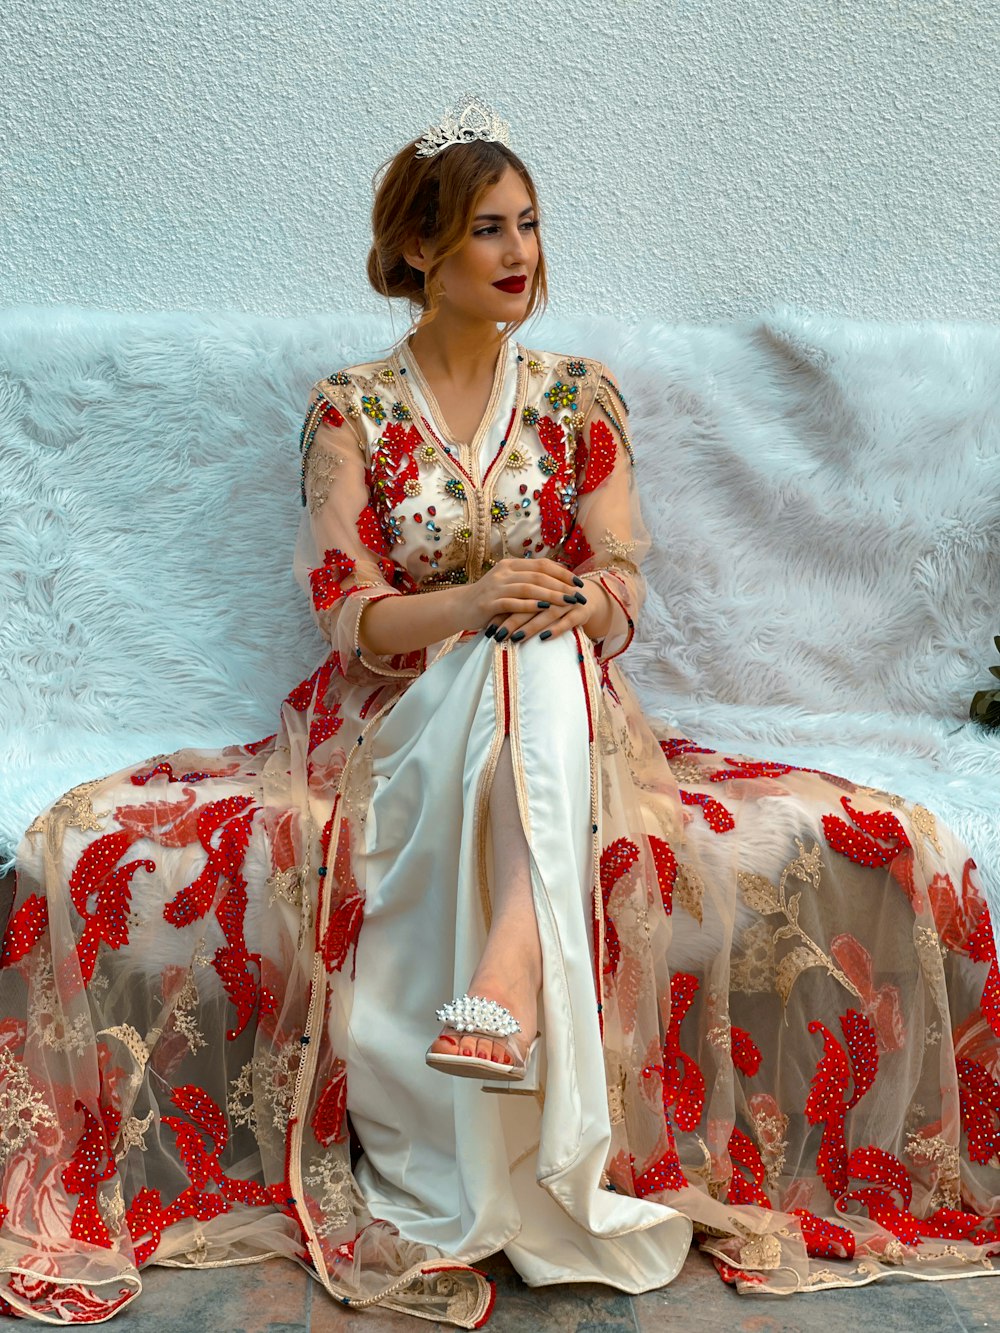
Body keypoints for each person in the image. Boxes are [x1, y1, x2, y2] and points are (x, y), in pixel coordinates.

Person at [2, 94, 1000, 1328]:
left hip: (566, 702)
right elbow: (348, 612)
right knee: (499, 645)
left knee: (537, 651)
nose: (520, 252)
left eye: (529, 224)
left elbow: (622, 579)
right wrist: (472, 598)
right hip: (394, 717)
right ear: (420, 251)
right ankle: (514, 964)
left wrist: (566, 601)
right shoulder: (350, 409)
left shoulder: (581, 397)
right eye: (487, 229)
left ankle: (509, 965)